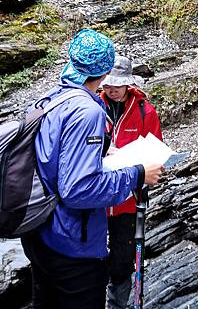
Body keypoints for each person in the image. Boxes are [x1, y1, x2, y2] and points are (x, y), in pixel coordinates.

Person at [20, 29, 164, 309]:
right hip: (72, 243)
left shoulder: (52, 99)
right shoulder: (88, 111)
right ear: (103, 72)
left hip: (39, 232)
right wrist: (137, 174)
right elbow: (78, 190)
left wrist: (99, 150)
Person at [100, 55, 163, 309]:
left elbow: (157, 151)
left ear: (128, 83)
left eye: (117, 84)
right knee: (91, 256)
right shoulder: (93, 106)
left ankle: (117, 304)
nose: (111, 89)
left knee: (123, 260)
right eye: (107, 84)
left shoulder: (144, 111)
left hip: (129, 200)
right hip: (96, 197)